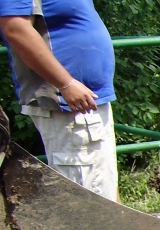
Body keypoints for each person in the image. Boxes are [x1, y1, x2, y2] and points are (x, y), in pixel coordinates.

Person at [0, 1, 118, 202]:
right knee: (85, 202)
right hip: (68, 106)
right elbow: (15, 27)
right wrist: (66, 83)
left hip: (89, 102)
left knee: (103, 189)